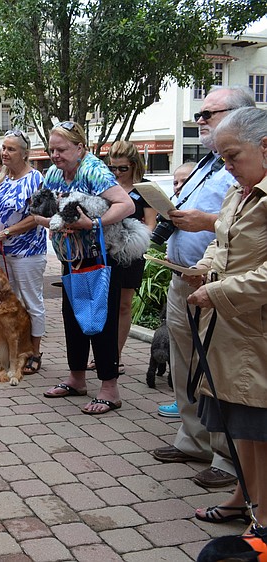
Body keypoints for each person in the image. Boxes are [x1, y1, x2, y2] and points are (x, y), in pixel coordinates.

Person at [151, 86, 255, 489]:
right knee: (185, 363)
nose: (201, 120)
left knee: (217, 371)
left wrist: (203, 222)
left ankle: (226, 457)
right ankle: (193, 439)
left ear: (240, 118)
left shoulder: (246, 170)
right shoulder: (208, 163)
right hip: (186, 274)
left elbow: (235, 224)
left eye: (209, 114)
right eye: (201, 114)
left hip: (224, 286)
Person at [184, 106, 267, 527]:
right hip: (231, 331)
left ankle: (264, 522)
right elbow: (224, 242)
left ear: (265, 146)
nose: (228, 167)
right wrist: (205, 265)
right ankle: (244, 498)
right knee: (242, 426)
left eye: (233, 156)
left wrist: (217, 290)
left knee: (260, 429)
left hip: (257, 334)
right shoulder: (241, 191)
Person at [35, 121, 134, 415]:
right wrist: (55, 222)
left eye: (62, 149)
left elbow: (125, 205)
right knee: (73, 318)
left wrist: (92, 224)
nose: (55, 155)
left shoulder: (94, 169)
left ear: (80, 148)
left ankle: (110, 389)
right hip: (70, 259)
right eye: (52, 149)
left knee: (101, 321)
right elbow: (44, 212)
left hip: (99, 258)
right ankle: (76, 379)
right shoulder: (54, 173)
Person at [0, 130, 47, 375]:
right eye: (3, 148)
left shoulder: (35, 179)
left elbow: (38, 216)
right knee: (3, 300)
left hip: (28, 251)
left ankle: (34, 353)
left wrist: (9, 231)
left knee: (30, 301)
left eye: (11, 149)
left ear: (24, 153)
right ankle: (8, 351)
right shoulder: (1, 178)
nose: (5, 153)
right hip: (2, 249)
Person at [92, 140, 156, 375]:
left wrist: (133, 237)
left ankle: (114, 356)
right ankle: (101, 353)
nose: (117, 173)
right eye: (112, 168)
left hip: (130, 254)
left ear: (134, 165)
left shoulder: (145, 189)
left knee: (122, 305)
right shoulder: (105, 187)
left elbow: (151, 225)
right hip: (104, 252)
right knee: (102, 304)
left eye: (122, 168)